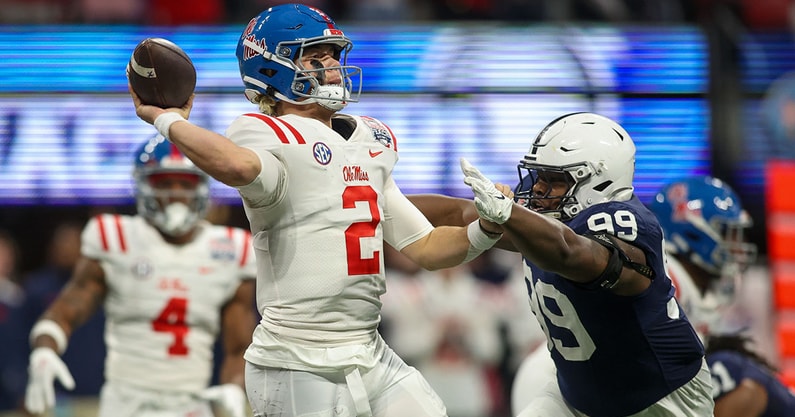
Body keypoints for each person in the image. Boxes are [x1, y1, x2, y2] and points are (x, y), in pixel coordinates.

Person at [128, 4, 502, 416]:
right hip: (296, 359)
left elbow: (427, 246)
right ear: (271, 67)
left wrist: (485, 229)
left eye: (334, 56)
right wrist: (168, 120)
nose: (332, 68)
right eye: (314, 57)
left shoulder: (368, 139)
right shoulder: (264, 131)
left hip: (369, 350)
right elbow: (236, 165)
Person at [409, 112, 713, 417]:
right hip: (578, 397)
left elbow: (571, 253)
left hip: (660, 397)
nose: (539, 189)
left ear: (598, 179)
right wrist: (378, 199)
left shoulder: (626, 224)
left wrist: (509, 215)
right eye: (540, 176)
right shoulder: (547, 219)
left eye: (555, 180)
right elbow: (457, 214)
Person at [24, 135, 256, 417]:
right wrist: (44, 350)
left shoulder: (230, 249)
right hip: (125, 403)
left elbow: (239, 345)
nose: (175, 194)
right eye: (164, 184)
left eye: (185, 184)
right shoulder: (117, 237)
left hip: (192, 403)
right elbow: (66, 310)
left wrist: (233, 387)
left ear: (202, 188)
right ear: (144, 186)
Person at [650, 175, 795, 416]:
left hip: (663, 387)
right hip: (642, 392)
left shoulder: (711, 285)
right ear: (692, 232)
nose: (738, 244)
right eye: (727, 233)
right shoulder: (665, 277)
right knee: (734, 371)